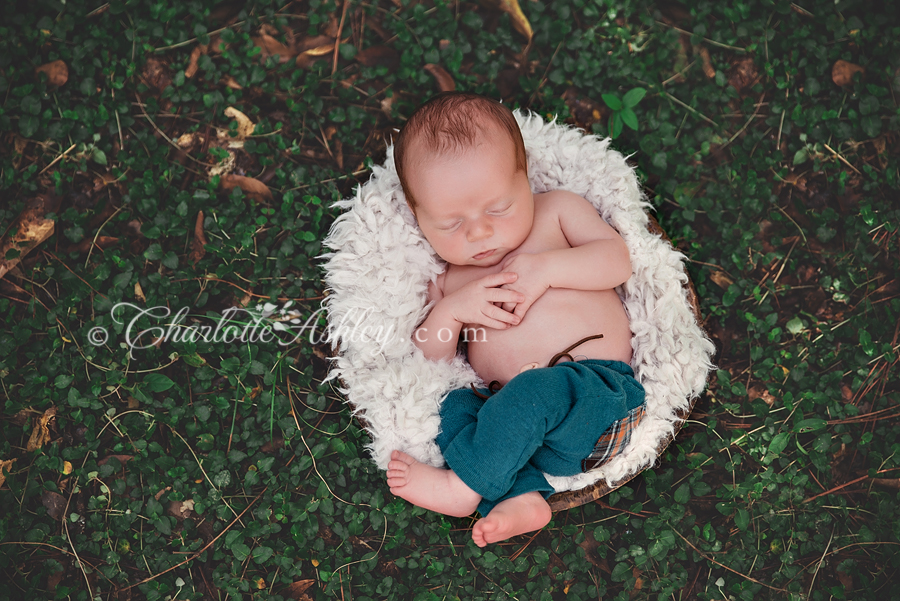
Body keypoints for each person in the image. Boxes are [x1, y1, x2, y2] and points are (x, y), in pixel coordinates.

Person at [386, 92, 645, 547]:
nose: (479, 232)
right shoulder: (449, 282)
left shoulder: (557, 212)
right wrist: (452, 310)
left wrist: (547, 269)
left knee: (531, 393)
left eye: (497, 208)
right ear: (418, 218)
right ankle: (523, 495)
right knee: (456, 409)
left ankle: (463, 488)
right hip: (519, 429)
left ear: (525, 180)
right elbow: (428, 357)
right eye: (450, 224)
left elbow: (617, 261)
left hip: (596, 398)